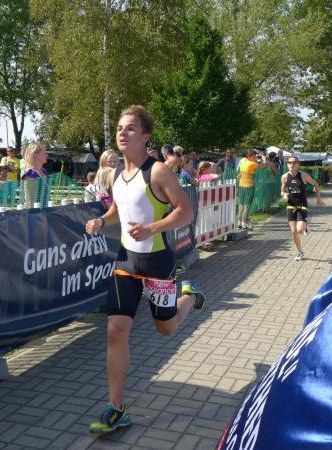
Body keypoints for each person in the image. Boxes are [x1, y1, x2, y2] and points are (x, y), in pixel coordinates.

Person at [84, 105, 205, 436]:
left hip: (156, 262)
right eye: (120, 128)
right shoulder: (114, 174)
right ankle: (116, 408)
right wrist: (101, 220)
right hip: (126, 262)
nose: (123, 133)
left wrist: (152, 228)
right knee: (115, 331)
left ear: (146, 136)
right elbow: (118, 208)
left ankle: (189, 296)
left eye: (131, 128)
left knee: (165, 328)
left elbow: (185, 212)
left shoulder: (158, 172)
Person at [281, 156, 325, 261]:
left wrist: (318, 199)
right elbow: (282, 191)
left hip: (302, 205)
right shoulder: (284, 177)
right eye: (289, 162)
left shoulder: (304, 175)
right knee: (293, 231)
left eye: (294, 162)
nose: (291, 164)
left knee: (299, 230)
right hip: (291, 205)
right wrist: (284, 195)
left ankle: (305, 225)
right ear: (287, 164)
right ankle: (300, 252)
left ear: (298, 164)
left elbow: (316, 184)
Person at [236, 149, 266, 229]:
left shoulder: (243, 161)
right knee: (247, 205)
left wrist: (255, 159)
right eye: (253, 156)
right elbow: (263, 165)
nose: (255, 157)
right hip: (249, 186)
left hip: (241, 186)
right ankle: (244, 223)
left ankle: (239, 223)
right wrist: (264, 158)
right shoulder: (252, 164)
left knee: (241, 205)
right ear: (248, 156)